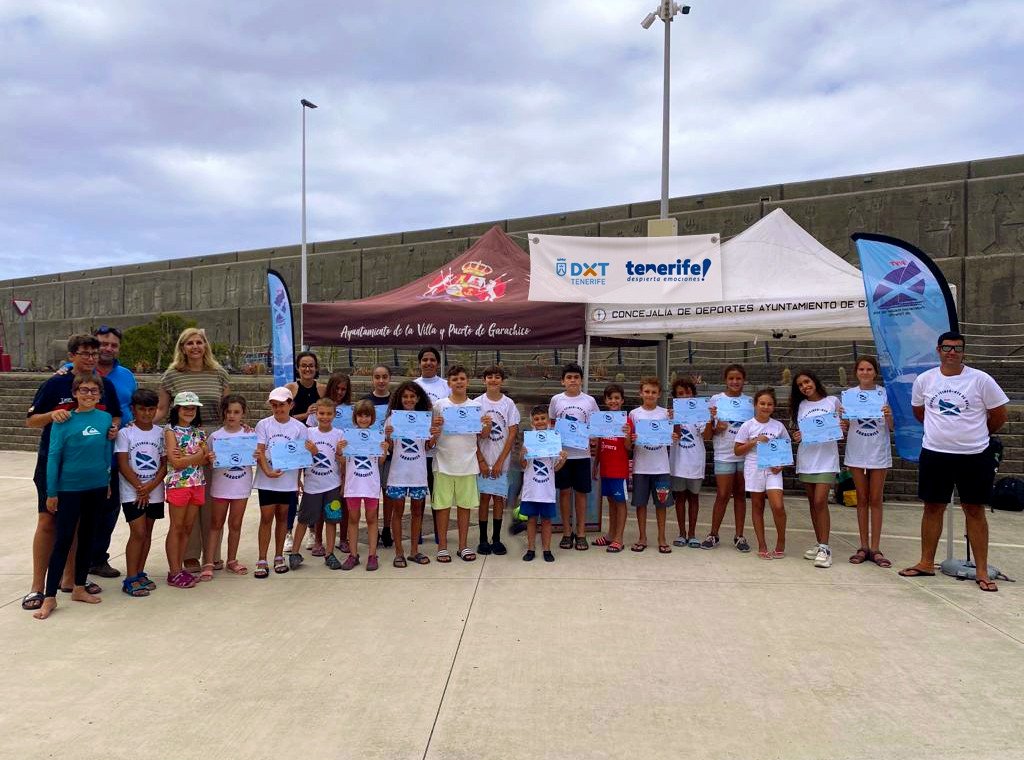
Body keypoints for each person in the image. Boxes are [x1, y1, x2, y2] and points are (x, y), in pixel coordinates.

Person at [901, 332, 1008, 592]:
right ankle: (926, 562)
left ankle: (981, 570)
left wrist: (975, 435)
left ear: (963, 352)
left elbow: (998, 415)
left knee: (974, 510)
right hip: (935, 453)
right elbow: (920, 413)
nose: (952, 352)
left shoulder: (981, 380)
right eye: (947, 347)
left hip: (974, 455)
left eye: (957, 348)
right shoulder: (925, 380)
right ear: (938, 350)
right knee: (932, 507)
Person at [22, 334, 120, 612]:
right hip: (55, 466)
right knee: (48, 522)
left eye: (94, 353)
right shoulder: (55, 384)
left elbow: (113, 415)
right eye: (85, 353)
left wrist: (113, 428)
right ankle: (37, 588)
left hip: (90, 470)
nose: (91, 358)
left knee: (79, 524)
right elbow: (31, 420)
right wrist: (54, 414)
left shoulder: (105, 384)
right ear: (72, 355)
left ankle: (71, 581)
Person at [33, 374, 115, 620]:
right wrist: (52, 492)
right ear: (75, 393)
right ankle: (49, 597)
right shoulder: (63, 420)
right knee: (63, 541)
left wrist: (108, 480)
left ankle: (79, 587)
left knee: (88, 537)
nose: (89, 394)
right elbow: (54, 457)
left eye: (94, 391)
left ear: (100, 395)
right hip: (69, 489)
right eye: (84, 390)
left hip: (97, 486)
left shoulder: (105, 419)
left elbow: (106, 450)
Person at [157, 327, 230, 575]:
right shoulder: (172, 375)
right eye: (190, 343)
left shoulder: (218, 373)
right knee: (188, 498)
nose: (195, 346)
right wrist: (137, 424)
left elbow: (227, 409)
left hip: (213, 437)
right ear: (182, 347)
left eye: (199, 342)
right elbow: (162, 410)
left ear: (205, 345)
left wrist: (239, 428)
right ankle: (189, 555)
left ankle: (212, 553)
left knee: (210, 499)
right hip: (182, 437)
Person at [85, 325, 137, 578]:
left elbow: (133, 407)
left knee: (110, 506)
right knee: (81, 507)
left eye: (113, 345)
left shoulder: (126, 375)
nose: (108, 348)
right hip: (86, 450)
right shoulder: (78, 371)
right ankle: (74, 561)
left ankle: (97, 558)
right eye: (103, 343)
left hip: (118, 449)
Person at [429, 364, 492, 562]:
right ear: (449, 383)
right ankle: (442, 547)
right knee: (442, 507)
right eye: (455, 379)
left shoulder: (476, 407)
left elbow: (482, 435)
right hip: (443, 463)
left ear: (467, 381)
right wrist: (435, 427)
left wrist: (487, 426)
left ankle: (463, 546)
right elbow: (431, 434)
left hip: (468, 464)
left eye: (462, 378)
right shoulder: (439, 405)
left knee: (465, 507)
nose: (459, 382)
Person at [842, 356, 894, 567]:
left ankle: (876, 548)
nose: (865, 372)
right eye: (861, 369)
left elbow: (891, 426)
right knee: (861, 499)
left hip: (878, 451)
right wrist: (840, 421)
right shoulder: (848, 395)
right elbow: (844, 425)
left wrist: (889, 415)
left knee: (876, 499)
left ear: (875, 372)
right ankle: (863, 546)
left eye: (869, 369)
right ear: (856, 372)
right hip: (856, 450)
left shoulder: (884, 393)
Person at [115, 388, 167, 597]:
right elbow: (123, 463)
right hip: (132, 492)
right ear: (133, 410)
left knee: (148, 533)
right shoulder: (125, 433)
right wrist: (139, 487)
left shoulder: (161, 433)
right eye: (141, 409)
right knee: (137, 533)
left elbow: (165, 464)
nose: (146, 413)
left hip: (153, 490)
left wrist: (150, 487)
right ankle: (130, 578)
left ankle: (140, 572)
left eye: (150, 409)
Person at [253, 387, 308, 578]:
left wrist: (298, 479)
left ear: (290, 405)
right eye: (274, 405)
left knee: (283, 518)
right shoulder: (263, 425)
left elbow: (301, 456)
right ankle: (262, 558)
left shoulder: (299, 428)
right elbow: (260, 450)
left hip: (287, 480)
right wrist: (267, 471)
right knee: (266, 518)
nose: (278, 409)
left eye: (282, 405)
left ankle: (278, 556)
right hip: (267, 480)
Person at [790, 369, 842, 569]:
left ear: (815, 380)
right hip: (807, 458)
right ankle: (820, 543)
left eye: (807, 381)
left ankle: (825, 548)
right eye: (800, 385)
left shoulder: (833, 402)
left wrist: (842, 425)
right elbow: (798, 431)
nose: (805, 386)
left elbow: (841, 423)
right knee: (813, 503)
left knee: (821, 501)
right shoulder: (800, 405)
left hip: (826, 459)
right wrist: (798, 436)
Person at [163, 392, 214, 588]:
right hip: (178, 484)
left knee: (186, 527)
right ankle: (173, 570)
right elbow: (175, 463)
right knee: (176, 527)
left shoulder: (199, 432)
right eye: (185, 407)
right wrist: (197, 457)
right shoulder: (170, 431)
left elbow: (205, 459)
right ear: (177, 409)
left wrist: (192, 458)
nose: (189, 411)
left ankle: (179, 568)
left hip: (197, 483)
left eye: (192, 408)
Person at [549, 362, 600, 550]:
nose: (573, 380)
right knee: (563, 493)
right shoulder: (556, 400)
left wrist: (592, 437)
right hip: (563, 456)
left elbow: (595, 428)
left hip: (582, 455)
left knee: (581, 494)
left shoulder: (589, 401)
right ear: (563, 381)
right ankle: (566, 532)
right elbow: (551, 425)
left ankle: (581, 533)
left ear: (581, 380)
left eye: (576, 377)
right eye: (569, 377)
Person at [734, 388, 790, 560]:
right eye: (762, 403)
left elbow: (785, 448)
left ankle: (781, 542)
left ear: (774, 406)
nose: (765, 407)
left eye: (769, 404)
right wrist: (754, 441)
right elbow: (737, 450)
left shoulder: (778, 426)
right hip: (754, 468)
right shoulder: (748, 425)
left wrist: (780, 465)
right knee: (757, 506)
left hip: (772, 470)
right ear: (756, 405)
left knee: (778, 506)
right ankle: (762, 545)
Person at [384, 381, 434, 567]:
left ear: (418, 398)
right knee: (398, 513)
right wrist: (387, 437)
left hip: (418, 474)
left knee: (417, 513)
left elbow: (428, 446)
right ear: (399, 398)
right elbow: (388, 449)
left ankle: (414, 551)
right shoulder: (391, 420)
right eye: (405, 396)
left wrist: (434, 435)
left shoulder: (424, 420)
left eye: (412, 396)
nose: (409, 399)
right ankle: (399, 552)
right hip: (398, 474)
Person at [703, 364, 752, 552]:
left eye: (738, 378)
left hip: (745, 455)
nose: (735, 382)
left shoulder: (750, 402)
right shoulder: (716, 400)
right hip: (723, 454)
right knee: (722, 495)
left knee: (740, 495)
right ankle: (713, 534)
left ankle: (739, 536)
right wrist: (715, 427)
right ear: (725, 380)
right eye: (731, 378)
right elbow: (707, 435)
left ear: (744, 380)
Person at [291, 398, 344, 570]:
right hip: (312, 485)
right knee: (304, 519)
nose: (325, 417)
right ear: (316, 414)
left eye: (329, 414)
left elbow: (343, 460)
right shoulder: (308, 433)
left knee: (331, 520)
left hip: (332, 485)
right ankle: (294, 552)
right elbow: (300, 457)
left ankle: (329, 553)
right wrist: (298, 477)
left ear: (334, 415)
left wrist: (340, 455)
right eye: (321, 413)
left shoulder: (339, 434)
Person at [207, 394, 256, 576]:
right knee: (216, 524)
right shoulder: (215, 436)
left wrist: (257, 456)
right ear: (223, 413)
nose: (232, 416)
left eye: (236, 412)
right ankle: (209, 562)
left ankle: (232, 560)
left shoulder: (250, 435)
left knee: (235, 524)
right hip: (221, 486)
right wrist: (209, 459)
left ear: (243, 413)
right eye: (228, 412)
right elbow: (209, 461)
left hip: (241, 486)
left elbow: (256, 456)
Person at [474, 365, 520, 556]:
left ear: (502, 380)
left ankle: (497, 539)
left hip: (502, 460)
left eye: (497, 377)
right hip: (483, 459)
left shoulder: (508, 404)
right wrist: (482, 461)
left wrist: (501, 460)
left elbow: (512, 433)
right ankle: (483, 539)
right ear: (484, 380)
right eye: (489, 377)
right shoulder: (476, 403)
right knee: (484, 498)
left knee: (499, 499)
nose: (493, 380)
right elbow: (472, 435)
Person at [339, 400, 389, 571]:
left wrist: (384, 449)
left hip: (370, 483)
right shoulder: (348, 436)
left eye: (367, 415)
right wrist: (340, 450)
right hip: (353, 484)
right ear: (355, 417)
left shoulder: (378, 436)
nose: (363, 419)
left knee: (371, 519)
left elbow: (381, 461)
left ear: (372, 418)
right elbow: (342, 461)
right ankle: (353, 555)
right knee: (353, 519)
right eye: (360, 415)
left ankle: (372, 555)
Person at [308, 372, 353, 554]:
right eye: (337, 388)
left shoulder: (351, 409)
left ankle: (343, 539)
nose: (340, 392)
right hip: (321, 465)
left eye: (344, 389)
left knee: (342, 503)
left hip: (345, 461)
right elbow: (306, 435)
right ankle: (318, 540)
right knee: (321, 504)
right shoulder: (316, 409)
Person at [284, 351, 324, 552]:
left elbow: (328, 414)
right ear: (298, 368)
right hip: (294, 443)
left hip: (315, 445)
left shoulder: (322, 389)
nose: (307, 369)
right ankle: (288, 532)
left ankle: (312, 529)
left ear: (316, 368)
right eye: (304, 365)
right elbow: (281, 416)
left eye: (311, 365)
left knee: (312, 487)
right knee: (292, 488)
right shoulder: (290, 388)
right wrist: (305, 414)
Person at [628, 377, 673, 553]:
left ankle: (662, 538)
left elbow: (673, 435)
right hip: (641, 467)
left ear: (659, 394)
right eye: (647, 391)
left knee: (661, 505)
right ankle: (642, 537)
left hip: (661, 467)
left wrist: (674, 431)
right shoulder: (634, 414)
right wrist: (631, 438)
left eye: (654, 392)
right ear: (641, 393)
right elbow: (629, 441)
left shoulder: (666, 414)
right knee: (641, 504)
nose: (650, 395)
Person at [519, 406, 568, 562]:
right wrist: (522, 454)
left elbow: (555, 468)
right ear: (532, 422)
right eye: (537, 419)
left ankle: (547, 550)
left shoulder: (554, 440)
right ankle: (531, 549)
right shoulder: (528, 440)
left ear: (548, 420)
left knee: (547, 521)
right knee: (531, 520)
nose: (540, 421)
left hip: (546, 490)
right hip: (531, 490)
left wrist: (563, 459)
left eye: (543, 418)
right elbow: (523, 465)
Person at [670, 377, 712, 548]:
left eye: (688, 392)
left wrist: (709, 418)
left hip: (695, 462)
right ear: (675, 397)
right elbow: (675, 435)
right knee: (680, 497)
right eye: (681, 394)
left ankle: (693, 534)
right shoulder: (671, 414)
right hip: (678, 462)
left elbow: (707, 436)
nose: (685, 396)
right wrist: (675, 418)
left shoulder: (701, 414)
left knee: (693, 497)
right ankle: (681, 533)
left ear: (694, 394)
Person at [591, 383, 632, 553]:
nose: (613, 401)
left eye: (617, 398)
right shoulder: (602, 418)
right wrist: (596, 465)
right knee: (611, 503)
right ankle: (610, 535)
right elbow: (600, 443)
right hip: (606, 469)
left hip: (619, 470)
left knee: (620, 503)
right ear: (605, 400)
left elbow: (629, 448)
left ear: (622, 400)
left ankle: (619, 538)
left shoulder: (627, 420)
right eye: (610, 398)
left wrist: (628, 434)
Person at [364, 365, 395, 547]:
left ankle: (386, 528)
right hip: (369, 456)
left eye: (384, 377)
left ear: (389, 378)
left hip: (391, 454)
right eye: (377, 377)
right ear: (372, 379)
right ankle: (372, 528)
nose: (381, 380)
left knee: (388, 493)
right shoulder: (366, 401)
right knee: (372, 494)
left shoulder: (395, 401)